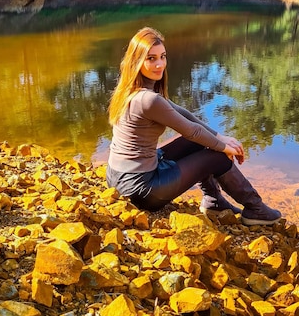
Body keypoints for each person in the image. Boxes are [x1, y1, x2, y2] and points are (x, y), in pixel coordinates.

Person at [106, 27, 282, 225]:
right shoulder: (147, 100)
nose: (160, 64)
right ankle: (255, 209)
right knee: (216, 156)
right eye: (151, 58)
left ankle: (213, 201)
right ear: (137, 61)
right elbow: (191, 131)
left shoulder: (132, 89)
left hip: (118, 178)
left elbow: (184, 114)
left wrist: (219, 136)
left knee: (199, 144)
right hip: (142, 189)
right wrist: (224, 147)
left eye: (163, 57)